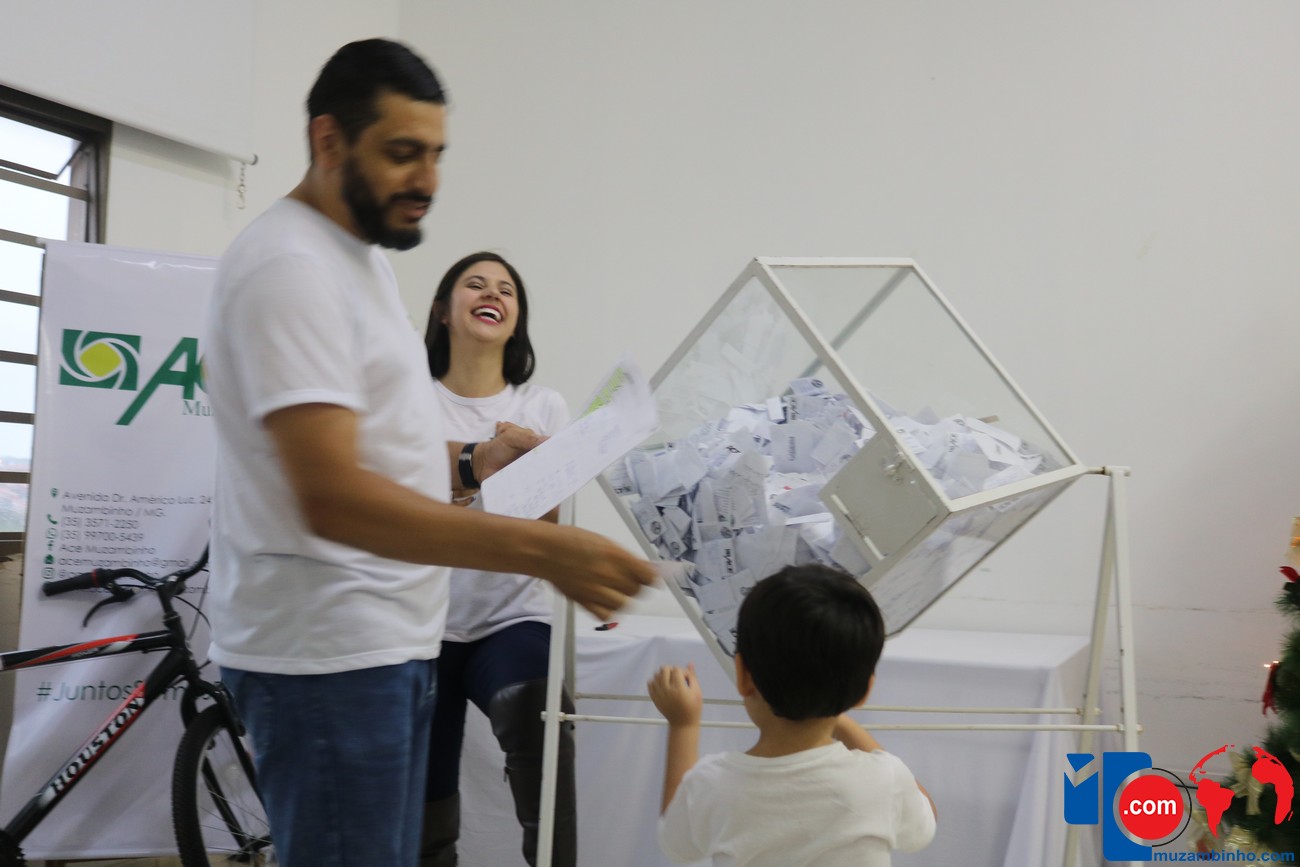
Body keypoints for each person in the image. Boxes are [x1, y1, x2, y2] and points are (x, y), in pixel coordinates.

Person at [202, 39, 657, 867]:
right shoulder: (290, 268)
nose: (427, 180)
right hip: (329, 655)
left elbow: (371, 446)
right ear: (329, 140)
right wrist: (541, 548)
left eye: (437, 154)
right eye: (403, 153)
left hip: (385, 643)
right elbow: (331, 495)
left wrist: (474, 463)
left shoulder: (357, 257)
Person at [418, 251, 577, 866]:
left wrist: (480, 490)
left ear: (517, 320)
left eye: (506, 290)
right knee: (423, 799)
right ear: (443, 311)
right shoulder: (409, 400)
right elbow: (392, 498)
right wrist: (478, 475)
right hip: (421, 624)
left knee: (542, 719)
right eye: (476, 284)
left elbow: (546, 530)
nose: (492, 294)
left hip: (511, 619)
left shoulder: (543, 407)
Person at [647, 564, 937, 866]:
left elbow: (676, 844)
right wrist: (834, 710)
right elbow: (925, 822)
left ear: (743, 676)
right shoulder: (884, 778)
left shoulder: (714, 784)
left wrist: (683, 726)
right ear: (865, 690)